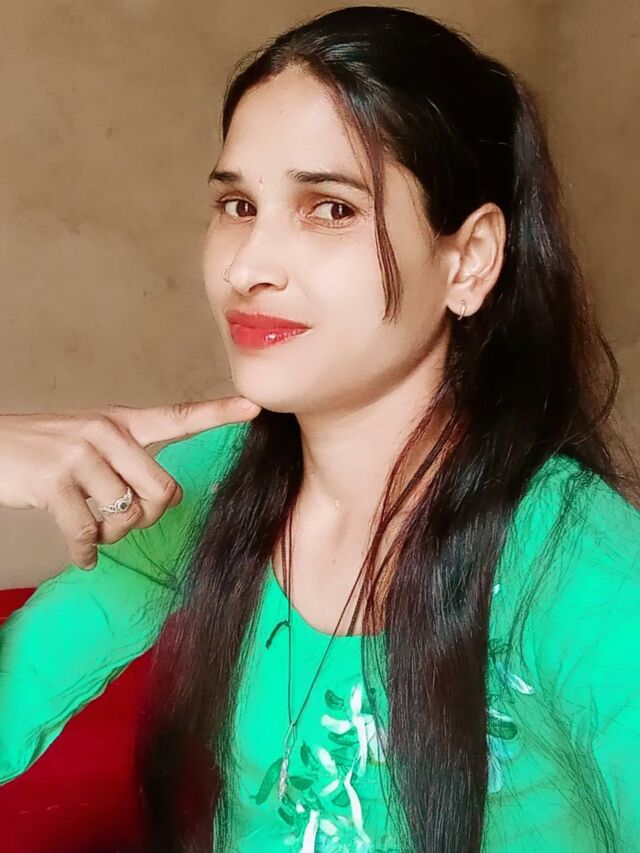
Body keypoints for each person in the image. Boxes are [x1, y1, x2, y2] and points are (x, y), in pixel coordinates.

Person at [0, 5, 638, 852]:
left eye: (329, 208)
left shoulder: (571, 558)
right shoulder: (200, 486)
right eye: (237, 204)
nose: (246, 266)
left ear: (470, 259)